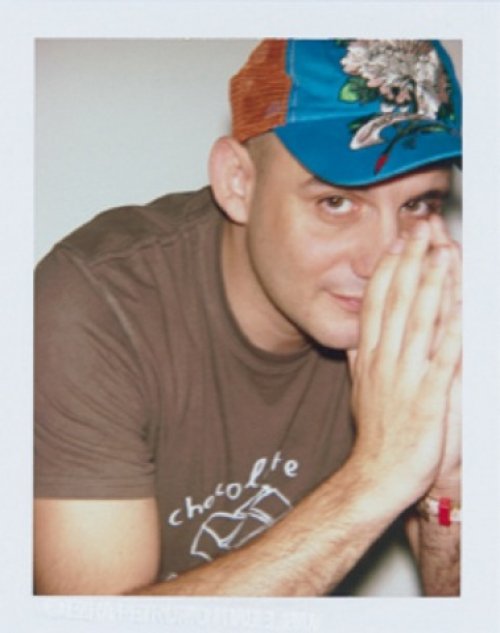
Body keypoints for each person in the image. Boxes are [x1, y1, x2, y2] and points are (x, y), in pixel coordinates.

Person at [34, 38, 462, 597]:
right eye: (336, 202)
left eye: (418, 205)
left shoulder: (423, 299)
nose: (380, 261)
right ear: (238, 182)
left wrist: (448, 489)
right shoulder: (96, 306)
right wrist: (379, 476)